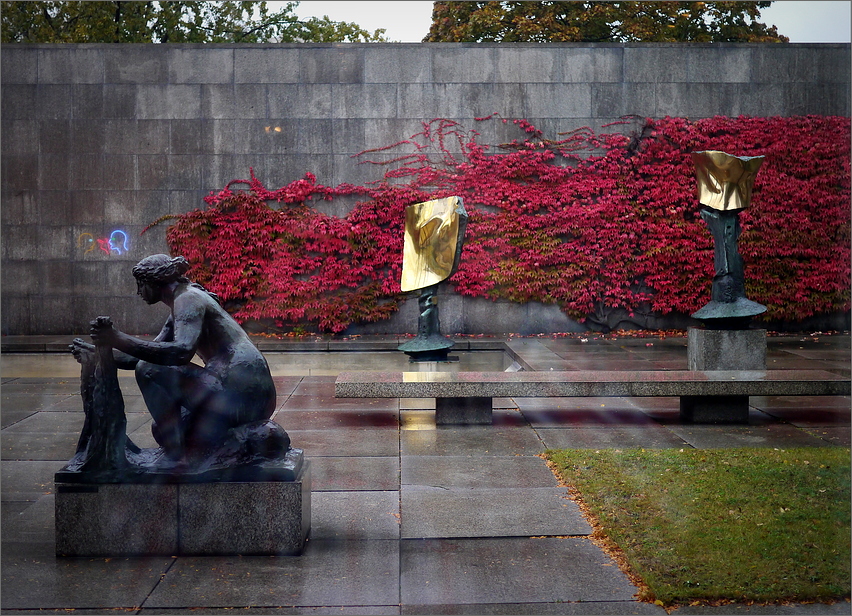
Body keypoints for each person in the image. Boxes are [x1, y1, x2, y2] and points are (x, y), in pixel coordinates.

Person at [71, 254, 276, 463]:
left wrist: (117, 338)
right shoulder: (181, 303)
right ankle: (188, 450)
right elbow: (147, 354)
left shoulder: (188, 299)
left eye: (141, 284)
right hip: (234, 393)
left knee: (149, 370)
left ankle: (176, 457)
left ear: (154, 281)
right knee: (162, 429)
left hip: (244, 398)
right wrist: (97, 353)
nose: (138, 291)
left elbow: (180, 352)